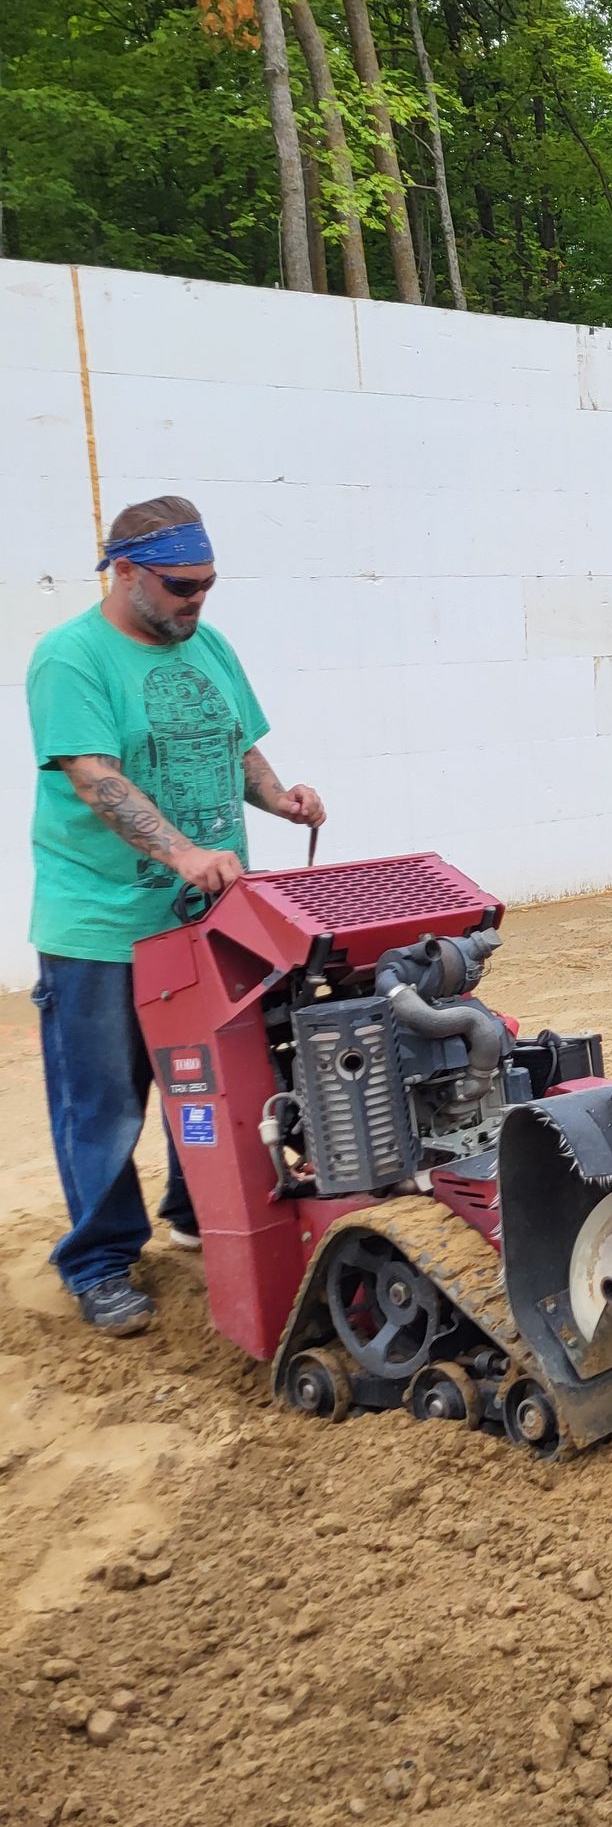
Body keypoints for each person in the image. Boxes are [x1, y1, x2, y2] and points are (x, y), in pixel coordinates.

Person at [27, 495, 326, 1337]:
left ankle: (199, 1208)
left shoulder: (208, 645)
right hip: (103, 927)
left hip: (214, 921)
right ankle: (99, 1260)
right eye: (180, 585)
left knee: (222, 1079)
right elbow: (94, 776)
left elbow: (233, 744)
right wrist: (183, 853)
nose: (197, 601)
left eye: (207, 584)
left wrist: (281, 798)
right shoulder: (70, 659)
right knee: (104, 1102)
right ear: (124, 572)